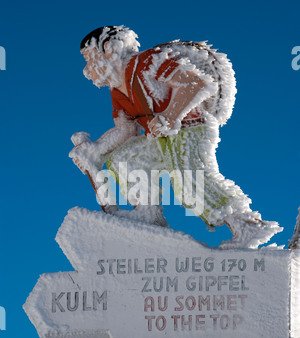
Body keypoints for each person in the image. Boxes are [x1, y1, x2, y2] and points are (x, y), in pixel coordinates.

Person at [70, 25, 282, 249]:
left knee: (189, 180)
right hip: (160, 138)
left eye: (88, 58)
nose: (86, 70)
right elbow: (126, 131)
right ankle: (148, 212)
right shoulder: (117, 91)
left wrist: (170, 116)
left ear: (109, 48)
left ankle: (247, 224)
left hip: (191, 128)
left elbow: (197, 84)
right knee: (124, 159)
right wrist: (96, 150)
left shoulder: (148, 61)